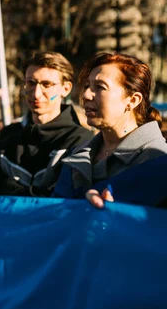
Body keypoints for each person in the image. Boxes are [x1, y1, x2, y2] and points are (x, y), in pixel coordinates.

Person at [52, 53, 167, 207]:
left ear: (132, 100)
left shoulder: (158, 160)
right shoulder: (76, 157)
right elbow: (54, 215)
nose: (86, 95)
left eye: (100, 87)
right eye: (87, 86)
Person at [0, 52, 94, 197]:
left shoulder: (81, 140)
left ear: (66, 89)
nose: (36, 93)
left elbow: (62, 196)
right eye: (30, 83)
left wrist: (10, 188)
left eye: (46, 84)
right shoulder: (8, 135)